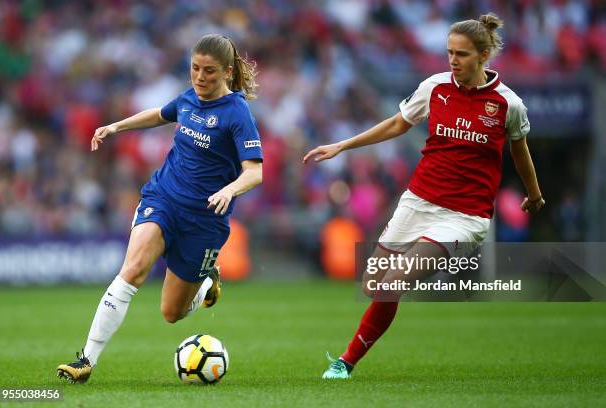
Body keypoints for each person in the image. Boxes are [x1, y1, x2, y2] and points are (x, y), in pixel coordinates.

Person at [303, 13, 545, 379]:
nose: (452, 60)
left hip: (464, 216)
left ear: (482, 55)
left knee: (393, 284)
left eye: (461, 54)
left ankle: (344, 363)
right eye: (449, 52)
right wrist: (343, 145)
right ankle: (421, 273)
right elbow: (399, 123)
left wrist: (535, 193)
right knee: (373, 285)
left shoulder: (508, 105)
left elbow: (520, 151)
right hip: (418, 201)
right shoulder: (434, 87)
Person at [57, 34, 263, 383]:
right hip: (163, 198)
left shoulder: (237, 113)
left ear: (227, 72)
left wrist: (230, 190)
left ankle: (204, 285)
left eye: (209, 71)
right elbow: (160, 114)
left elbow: (255, 171)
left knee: (171, 313)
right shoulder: (188, 98)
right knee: (132, 271)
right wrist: (117, 126)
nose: (200, 77)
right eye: (195, 69)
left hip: (205, 220)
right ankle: (85, 360)